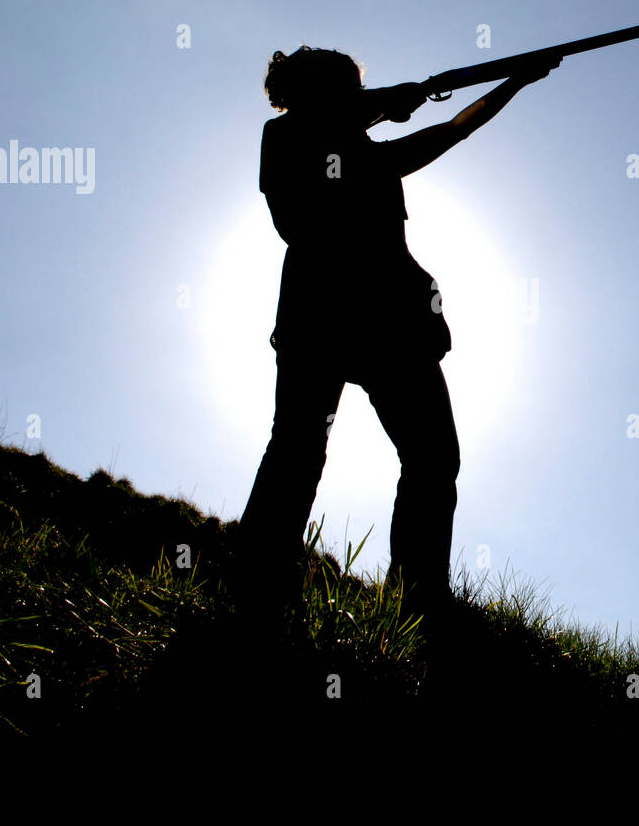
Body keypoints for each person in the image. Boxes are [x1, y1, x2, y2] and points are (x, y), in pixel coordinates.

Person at [236, 43, 557, 630]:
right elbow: (425, 143)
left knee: (431, 458)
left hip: (387, 318)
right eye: (348, 90)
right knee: (299, 450)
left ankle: (417, 597)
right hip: (329, 314)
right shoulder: (286, 139)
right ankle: (260, 579)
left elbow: (450, 132)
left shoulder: (356, 146)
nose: (358, 98)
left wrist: (513, 83)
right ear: (320, 94)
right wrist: (395, 107)